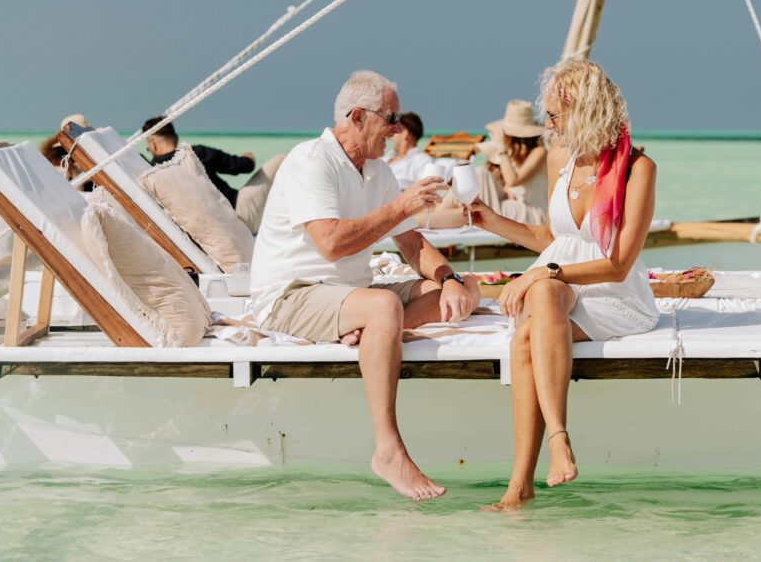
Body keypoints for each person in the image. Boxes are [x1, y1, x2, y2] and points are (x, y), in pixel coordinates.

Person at [249, 70, 481, 500]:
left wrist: (450, 279)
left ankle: (372, 333)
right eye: (390, 118)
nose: (397, 129)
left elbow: (412, 244)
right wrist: (398, 208)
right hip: (291, 294)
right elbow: (332, 243)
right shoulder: (311, 160)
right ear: (357, 117)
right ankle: (388, 449)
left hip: (347, 296)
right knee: (382, 308)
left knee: (465, 291)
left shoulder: (376, 171)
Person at [465, 59, 660, 510]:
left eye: (554, 115)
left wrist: (544, 272)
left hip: (613, 294)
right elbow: (554, 240)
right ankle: (549, 451)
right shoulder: (560, 158)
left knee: (527, 334)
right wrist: (492, 221)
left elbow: (616, 264)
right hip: (557, 284)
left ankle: (523, 479)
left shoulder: (637, 168)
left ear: (586, 111)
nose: (548, 125)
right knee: (544, 300)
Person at [142, 118, 283, 233]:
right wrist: (249, 156)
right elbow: (243, 166)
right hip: (240, 214)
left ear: (152, 144)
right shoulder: (196, 153)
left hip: (218, 230)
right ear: (176, 138)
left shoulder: (153, 172)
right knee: (282, 159)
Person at [476, 99, 548, 224]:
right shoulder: (513, 156)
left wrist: (501, 149)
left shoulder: (540, 152)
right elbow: (509, 187)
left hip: (533, 213)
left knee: (480, 178)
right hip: (515, 208)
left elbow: (513, 181)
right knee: (480, 174)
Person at [386, 112, 433, 189]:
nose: (390, 136)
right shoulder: (387, 156)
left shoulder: (422, 161)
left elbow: (426, 190)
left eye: (394, 130)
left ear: (405, 133)